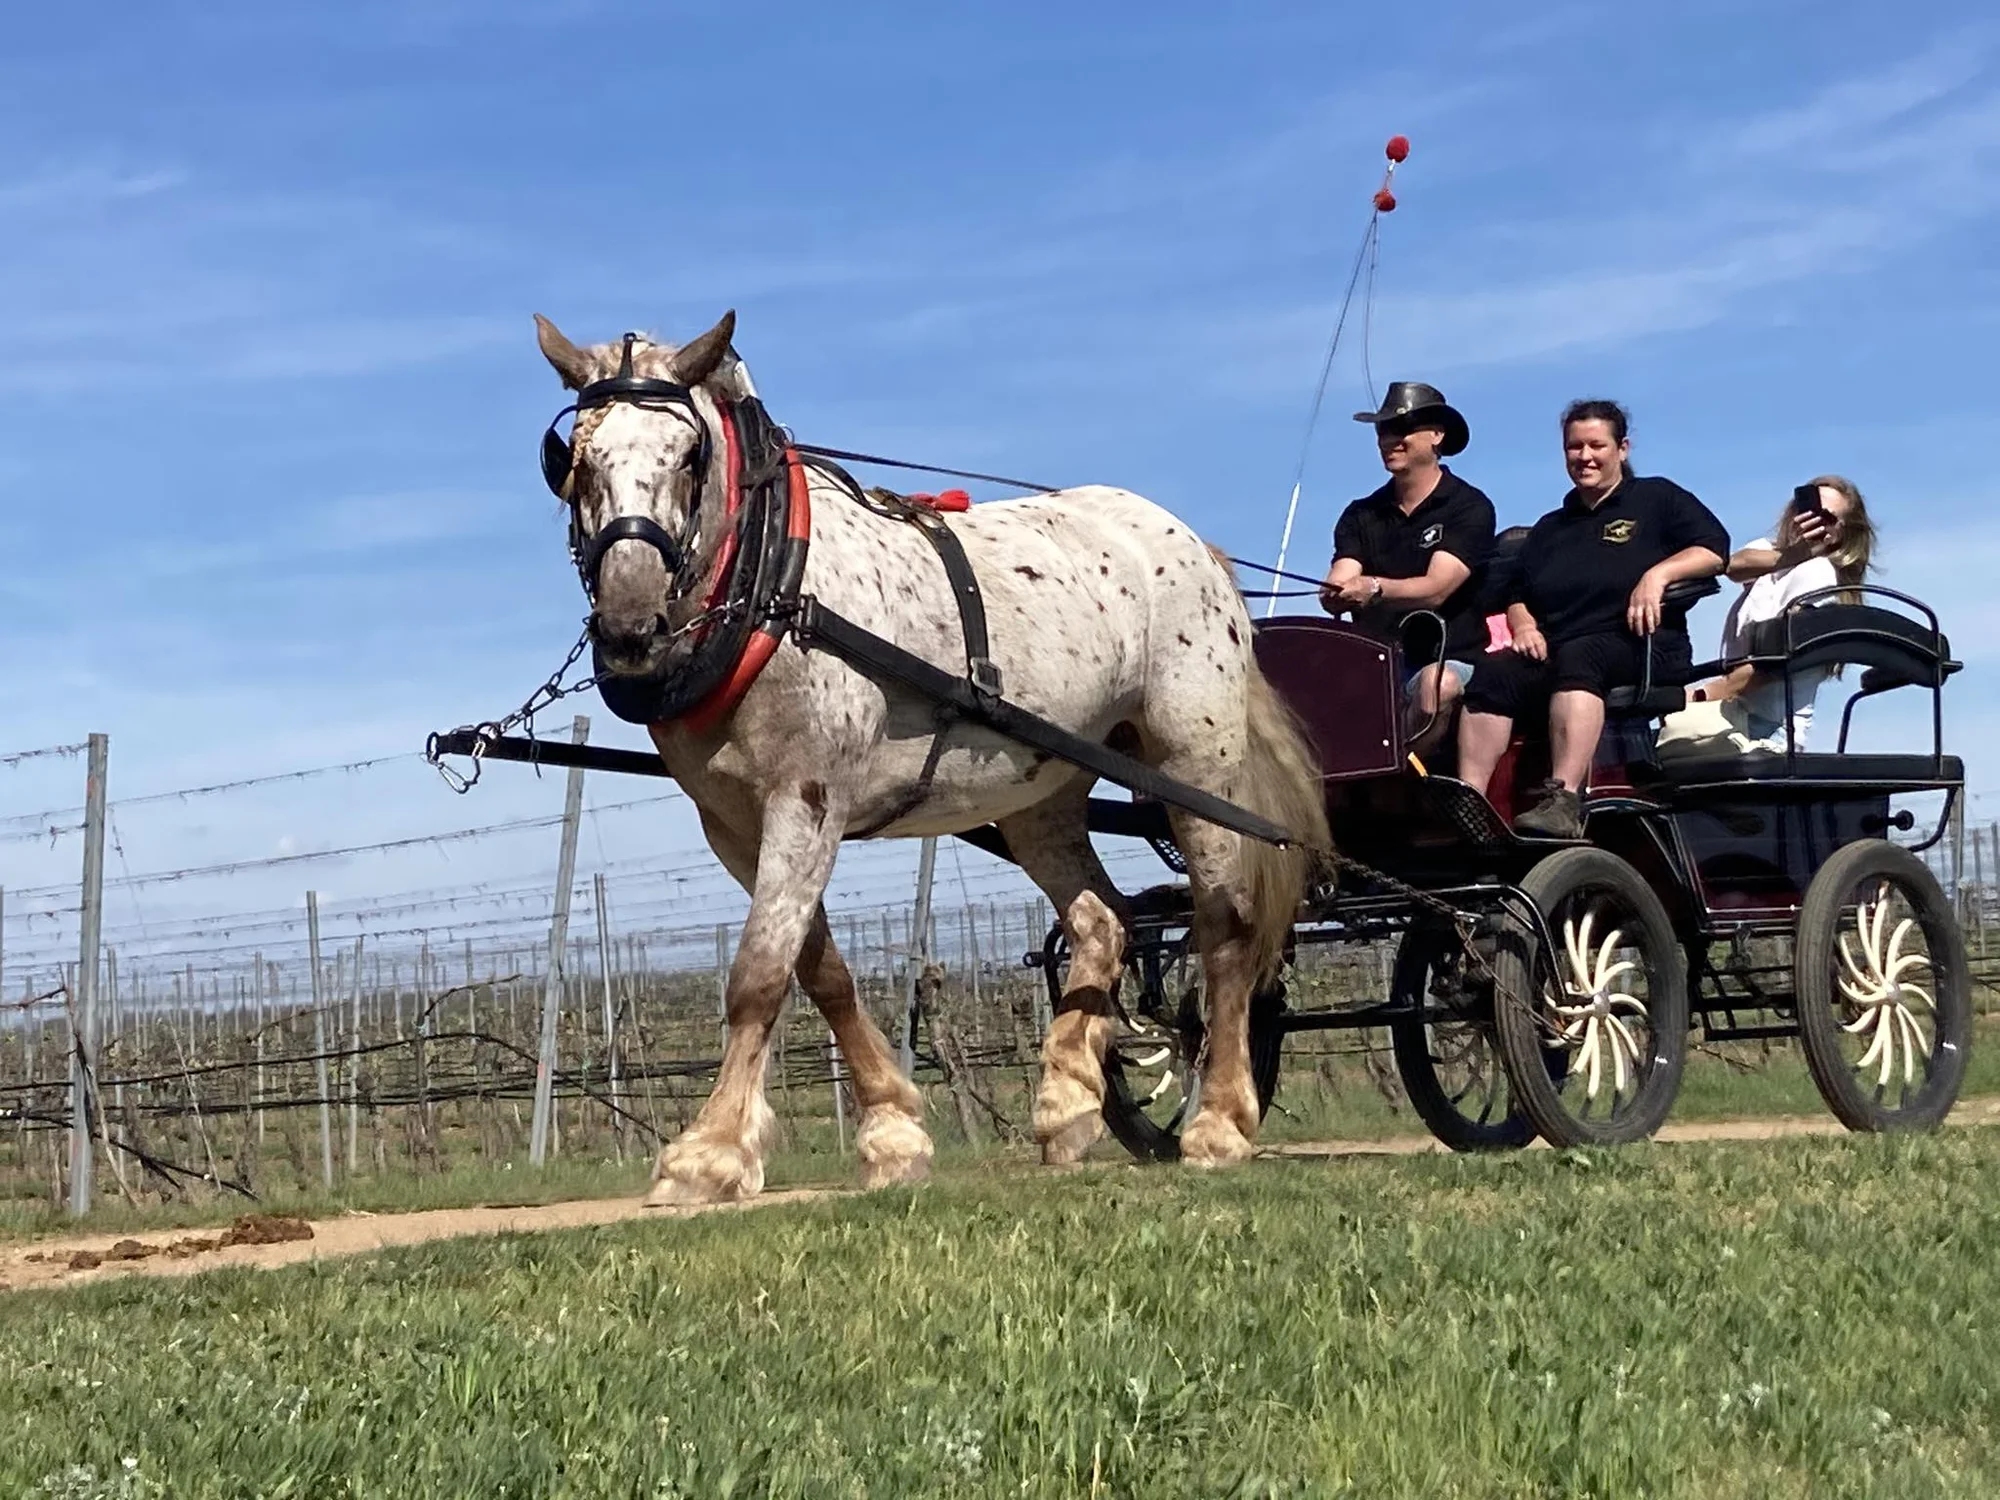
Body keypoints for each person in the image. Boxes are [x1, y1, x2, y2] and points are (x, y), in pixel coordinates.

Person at [1456, 399, 1729, 837]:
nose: (1585, 457)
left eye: (1596, 445)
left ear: (1622, 448)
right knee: (1494, 673)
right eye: (1574, 447)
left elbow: (1714, 551)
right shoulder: (1550, 527)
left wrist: (1657, 575)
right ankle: (1470, 803)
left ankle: (1563, 800)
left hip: (1643, 647)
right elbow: (1515, 593)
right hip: (1559, 649)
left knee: (1582, 656)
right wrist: (1523, 624)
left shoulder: (1657, 497)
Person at [1319, 381, 1497, 750]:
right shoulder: (1360, 514)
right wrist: (1335, 593)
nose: (1390, 440)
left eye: (1402, 429)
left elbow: (1436, 589)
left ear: (1436, 435)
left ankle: (1397, 775)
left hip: (1449, 660)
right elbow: (1341, 576)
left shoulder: (1469, 507)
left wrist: (1374, 588)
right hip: (1372, 666)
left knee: (1439, 685)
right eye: (1383, 430)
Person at [1676, 475, 1878, 752]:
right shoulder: (1774, 559)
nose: (1811, 521)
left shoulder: (1818, 574)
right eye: (1806, 510)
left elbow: (1771, 665)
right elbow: (1732, 566)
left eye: (1826, 518)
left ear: (1842, 532)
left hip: (1769, 728)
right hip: (1738, 714)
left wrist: (1700, 695)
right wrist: (1794, 554)